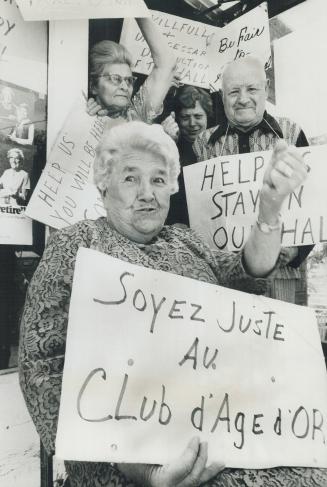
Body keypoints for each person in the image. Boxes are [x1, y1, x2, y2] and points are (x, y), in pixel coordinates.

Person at [19, 121, 324, 487]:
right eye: (131, 179)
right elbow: (40, 368)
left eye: (159, 180)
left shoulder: (187, 241)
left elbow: (247, 273)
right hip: (130, 457)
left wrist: (270, 211)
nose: (147, 193)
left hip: (224, 430)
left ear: (172, 188)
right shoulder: (77, 245)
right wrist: (136, 469)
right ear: (104, 183)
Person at [193, 56, 313, 303]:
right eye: (234, 91)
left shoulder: (292, 134)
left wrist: (295, 251)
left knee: (280, 340)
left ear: (266, 89)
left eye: (252, 89)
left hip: (281, 277)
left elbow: (314, 205)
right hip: (220, 279)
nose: (243, 98)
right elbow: (189, 213)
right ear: (223, 96)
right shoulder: (200, 145)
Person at [87, 18, 176, 125]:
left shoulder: (135, 118)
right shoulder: (79, 109)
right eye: (115, 79)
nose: (125, 87)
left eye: (129, 80)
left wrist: (139, 10)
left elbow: (166, 63)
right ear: (93, 86)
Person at [162, 86, 213, 225]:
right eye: (185, 117)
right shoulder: (171, 143)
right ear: (176, 119)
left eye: (198, 116)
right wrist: (167, 143)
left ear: (207, 116)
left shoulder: (219, 144)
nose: (192, 123)